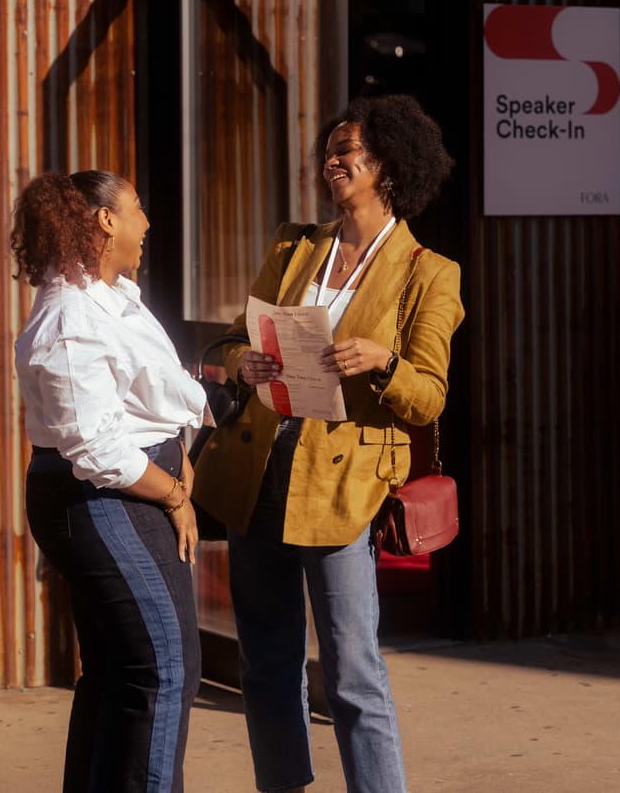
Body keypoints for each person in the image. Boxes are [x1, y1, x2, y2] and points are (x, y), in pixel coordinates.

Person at [192, 94, 465, 792]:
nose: (332, 162)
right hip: (261, 470)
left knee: (352, 673)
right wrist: (245, 363)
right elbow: (231, 340)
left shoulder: (429, 271)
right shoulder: (295, 245)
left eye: (349, 152)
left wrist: (383, 361)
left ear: (390, 166)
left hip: (344, 487)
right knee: (265, 663)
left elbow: (430, 395)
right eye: (330, 152)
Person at [11, 170, 206, 793]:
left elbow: (145, 397)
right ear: (105, 220)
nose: (146, 223)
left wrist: (179, 450)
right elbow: (93, 446)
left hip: (127, 488)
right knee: (163, 667)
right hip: (106, 497)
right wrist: (174, 494)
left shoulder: (112, 296)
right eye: (137, 208)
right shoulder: (70, 316)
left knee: (121, 669)